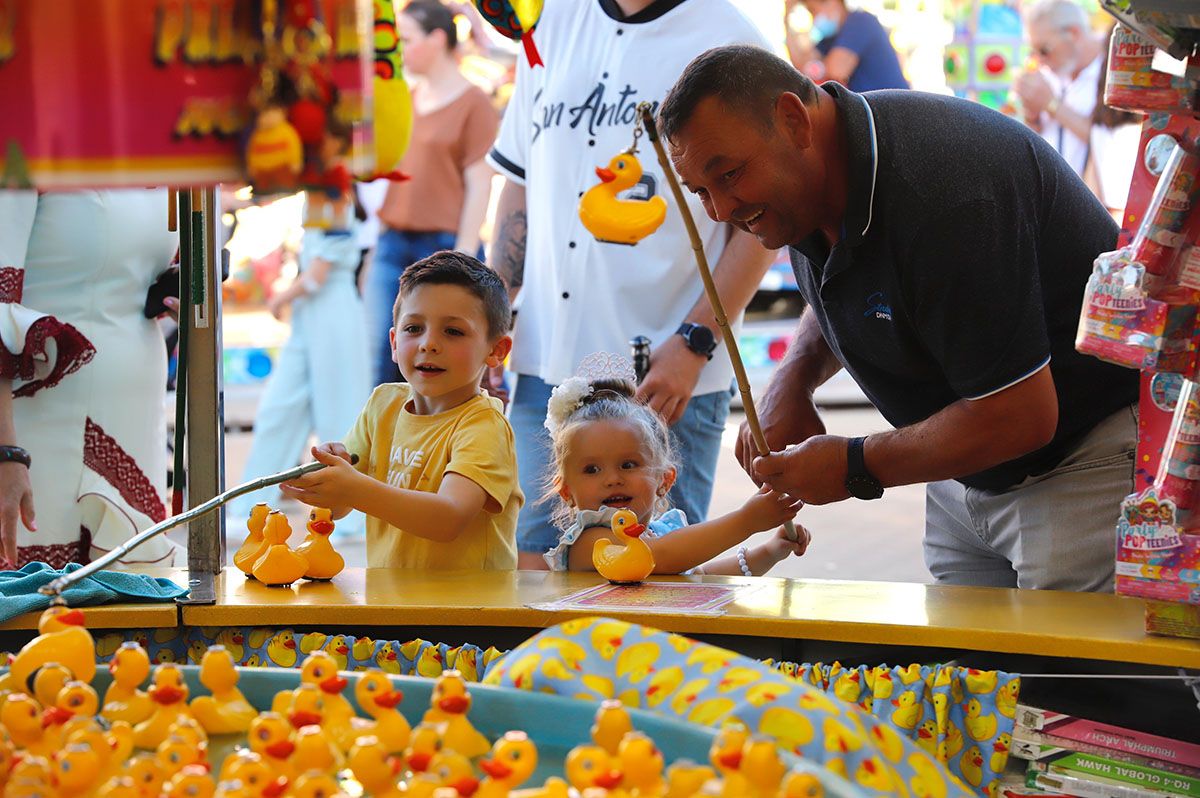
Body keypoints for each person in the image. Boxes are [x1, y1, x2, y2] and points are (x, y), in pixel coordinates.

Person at [658, 45, 1140, 592]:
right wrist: (793, 381)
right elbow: (851, 280)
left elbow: (1021, 415)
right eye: (702, 192)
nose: (722, 210)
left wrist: (854, 465)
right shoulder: (813, 181)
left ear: (793, 120)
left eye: (730, 175)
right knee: (972, 678)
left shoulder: (943, 188)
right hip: (966, 473)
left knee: (1074, 678)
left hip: (1078, 465)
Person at [486, 0, 779, 569]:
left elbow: (763, 219)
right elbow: (518, 179)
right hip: (546, 366)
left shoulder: (728, 37)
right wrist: (491, 317)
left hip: (664, 376)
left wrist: (696, 342)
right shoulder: (546, 22)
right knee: (528, 572)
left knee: (655, 573)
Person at [280, 251, 522, 570]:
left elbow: (448, 518)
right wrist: (326, 477)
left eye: (453, 331)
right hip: (390, 607)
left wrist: (353, 485)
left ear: (496, 350)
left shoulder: (483, 425)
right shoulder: (384, 405)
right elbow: (340, 506)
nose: (428, 344)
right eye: (413, 328)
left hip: (470, 615)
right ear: (394, 342)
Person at [0, 189, 182, 570]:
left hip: (135, 407)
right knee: (36, 605)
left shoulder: (160, 155)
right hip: (37, 426)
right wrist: (5, 454)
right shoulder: (21, 146)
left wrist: (186, 296)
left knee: (131, 598)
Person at [540, 370, 806, 575]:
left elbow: (700, 577)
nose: (612, 479)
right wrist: (747, 520)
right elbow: (658, 557)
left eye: (628, 465)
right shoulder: (592, 541)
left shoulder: (663, 533)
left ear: (664, 480)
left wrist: (770, 551)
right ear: (566, 491)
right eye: (592, 469)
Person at [365, 0, 499, 387]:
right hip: (392, 245)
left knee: (439, 372)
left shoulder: (475, 103)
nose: (397, 48)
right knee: (383, 365)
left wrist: (462, 257)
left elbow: (480, 184)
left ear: (437, 39)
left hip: (441, 248)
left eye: (405, 39)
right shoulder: (404, 99)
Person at [227, 193, 370, 533]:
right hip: (312, 315)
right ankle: (250, 506)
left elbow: (318, 274)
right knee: (279, 409)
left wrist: (281, 297)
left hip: (333, 314)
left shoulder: (336, 200)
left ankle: (346, 514)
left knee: (339, 413)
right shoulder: (316, 200)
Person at [1013, 0, 1104, 178]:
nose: (1039, 59)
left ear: (1073, 33)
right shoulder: (1052, 71)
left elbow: (1110, 140)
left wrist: (1051, 104)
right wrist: (1032, 116)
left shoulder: (1110, 69)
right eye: (1033, 51)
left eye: (1044, 50)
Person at [783, 0, 908, 92]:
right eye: (810, 11)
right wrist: (787, 19)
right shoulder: (829, 39)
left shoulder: (860, 21)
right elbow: (802, 66)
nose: (815, 18)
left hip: (895, 113)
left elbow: (836, 71)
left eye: (814, 10)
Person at [1084, 25, 1143, 219]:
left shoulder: (1100, 124)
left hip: (1111, 231)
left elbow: (1090, 192)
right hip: (1131, 229)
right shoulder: (1143, 127)